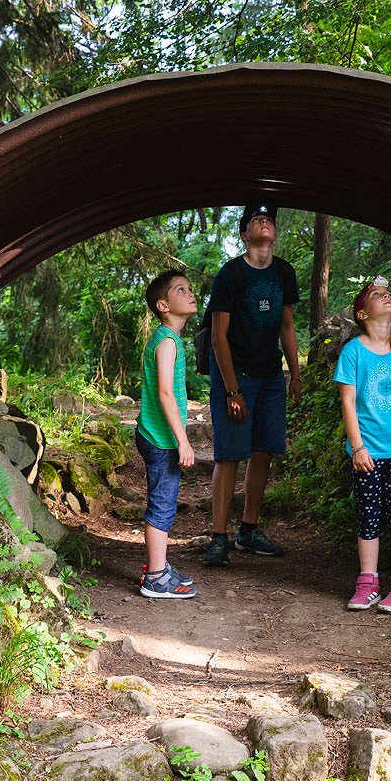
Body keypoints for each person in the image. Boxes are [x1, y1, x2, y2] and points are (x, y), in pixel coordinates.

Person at [203, 202, 302, 567]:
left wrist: (295, 373)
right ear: (245, 234)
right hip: (236, 375)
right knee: (230, 455)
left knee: (263, 451)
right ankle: (218, 537)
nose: (265, 221)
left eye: (270, 219)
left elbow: (287, 326)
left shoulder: (283, 272)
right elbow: (218, 337)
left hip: (271, 376)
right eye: (256, 219)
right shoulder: (230, 274)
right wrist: (232, 390)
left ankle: (248, 529)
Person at [334, 277, 391, 613]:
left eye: (388, 294)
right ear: (362, 312)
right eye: (376, 295)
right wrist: (358, 448)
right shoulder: (353, 351)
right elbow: (348, 402)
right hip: (367, 453)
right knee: (368, 516)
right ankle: (368, 581)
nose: (385, 297)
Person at [135, 269, 199, 598]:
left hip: (157, 435)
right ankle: (156, 577)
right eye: (180, 290)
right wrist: (183, 440)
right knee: (162, 505)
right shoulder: (168, 341)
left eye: (190, 288)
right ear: (163, 305)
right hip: (161, 439)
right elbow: (164, 393)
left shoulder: (167, 338)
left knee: (164, 502)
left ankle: (158, 566)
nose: (190, 293)